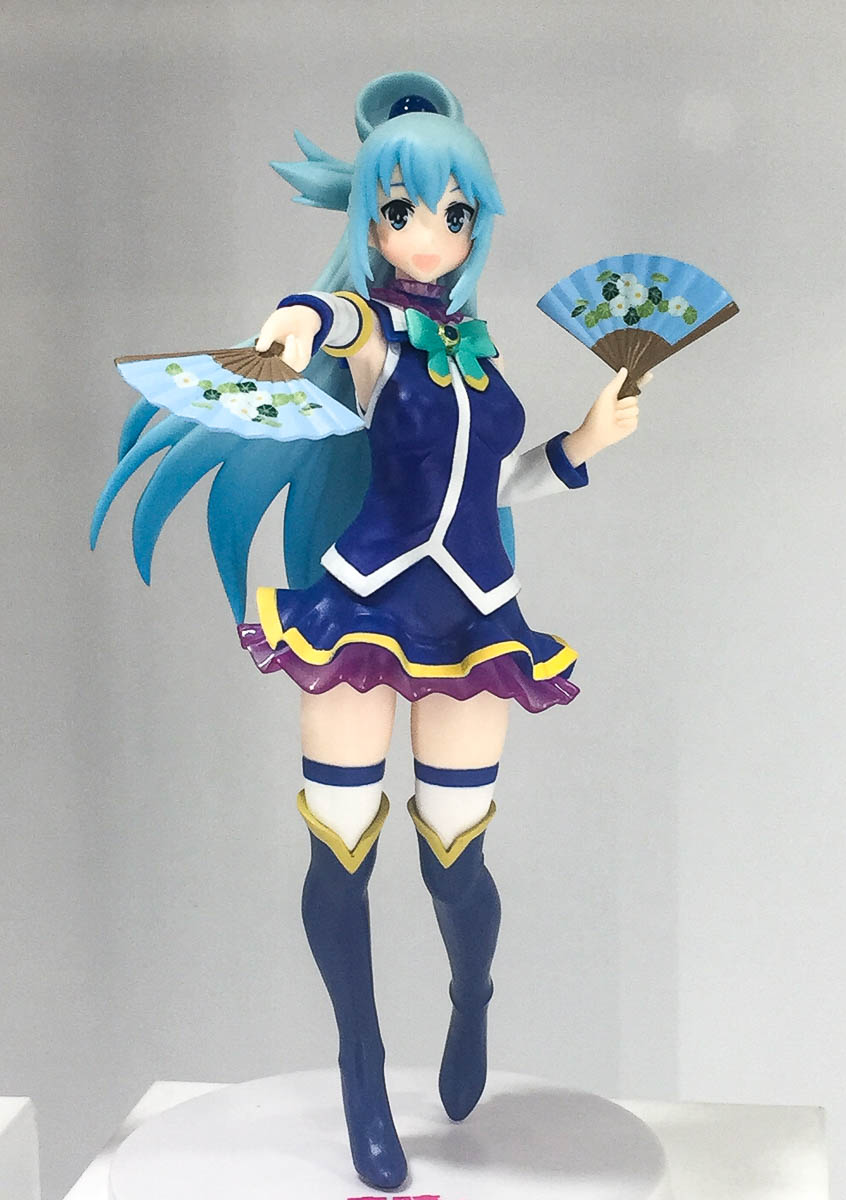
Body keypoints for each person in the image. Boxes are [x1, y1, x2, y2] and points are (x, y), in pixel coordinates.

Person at [94, 71, 647, 1192]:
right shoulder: (372, 327)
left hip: (475, 622)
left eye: (455, 212)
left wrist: (584, 443)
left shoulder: (478, 346)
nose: (430, 233)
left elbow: (498, 483)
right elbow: (325, 316)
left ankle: (471, 995)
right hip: (360, 610)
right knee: (341, 844)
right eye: (402, 210)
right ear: (370, 220)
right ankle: (362, 1062)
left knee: (456, 854)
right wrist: (293, 324)